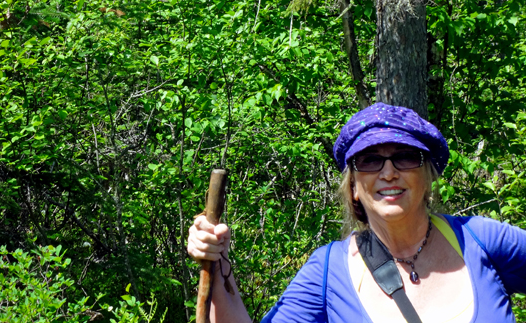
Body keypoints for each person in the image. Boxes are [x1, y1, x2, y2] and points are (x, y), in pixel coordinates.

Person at [187, 103, 526, 322]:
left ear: (428, 176)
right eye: (369, 160)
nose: (389, 172)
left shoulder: (482, 240)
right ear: (353, 186)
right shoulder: (328, 271)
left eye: (405, 157)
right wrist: (217, 262)